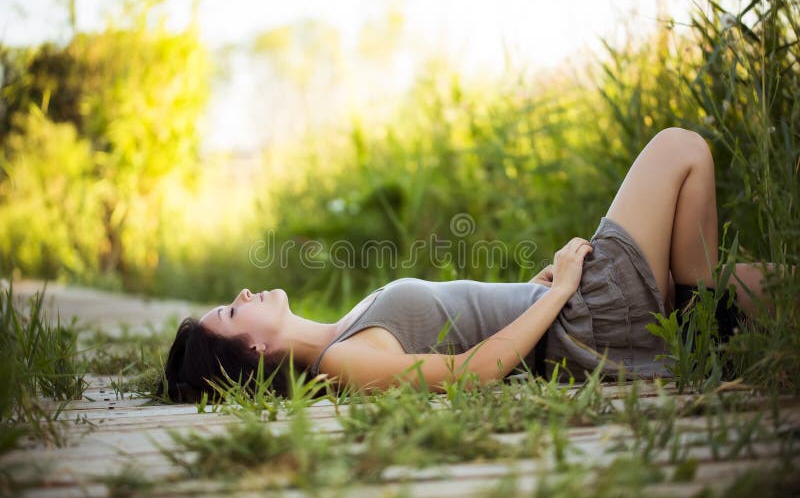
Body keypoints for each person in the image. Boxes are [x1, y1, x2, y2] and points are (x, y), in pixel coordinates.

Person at [160, 127, 775, 403]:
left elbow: (469, 321)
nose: (242, 292)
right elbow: (473, 370)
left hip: (566, 307)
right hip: (585, 319)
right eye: (232, 310)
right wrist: (560, 292)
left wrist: (530, 289)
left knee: (763, 285)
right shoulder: (339, 361)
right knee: (679, 147)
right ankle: (697, 346)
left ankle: (701, 326)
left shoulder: (343, 331)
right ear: (254, 353)